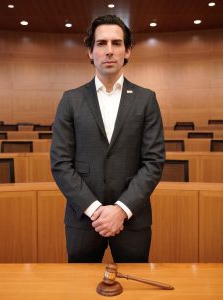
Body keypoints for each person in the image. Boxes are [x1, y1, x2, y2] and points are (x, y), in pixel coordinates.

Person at [50, 15, 165, 263]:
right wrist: (96, 210)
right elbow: (60, 164)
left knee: (135, 288)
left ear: (128, 51)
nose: (109, 51)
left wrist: (120, 210)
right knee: (79, 289)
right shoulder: (70, 101)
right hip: (83, 219)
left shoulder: (146, 100)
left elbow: (153, 162)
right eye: (101, 44)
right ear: (90, 53)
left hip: (132, 220)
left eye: (116, 43)